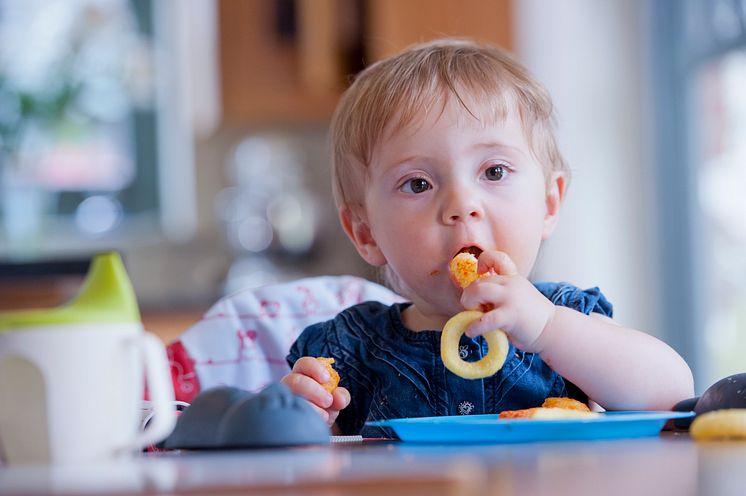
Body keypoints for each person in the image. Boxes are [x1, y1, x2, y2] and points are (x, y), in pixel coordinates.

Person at [281, 38, 694, 436]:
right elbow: (310, 461)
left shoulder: (566, 316)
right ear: (365, 232)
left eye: (494, 172)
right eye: (418, 184)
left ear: (549, 205)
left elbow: (673, 396)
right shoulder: (350, 347)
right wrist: (301, 417)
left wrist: (548, 329)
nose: (462, 204)